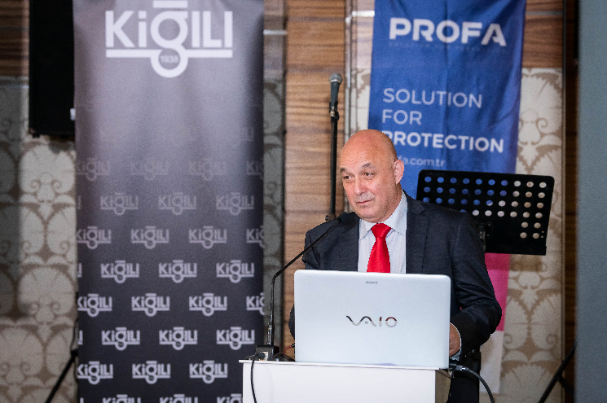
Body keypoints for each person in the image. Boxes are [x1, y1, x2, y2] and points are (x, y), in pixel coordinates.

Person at [288, 129, 502, 402]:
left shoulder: (450, 229)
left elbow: (485, 305)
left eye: (368, 174)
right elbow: (302, 319)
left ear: (397, 171)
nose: (357, 189)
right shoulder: (325, 239)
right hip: (347, 388)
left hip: (431, 387)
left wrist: (455, 334)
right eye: (347, 177)